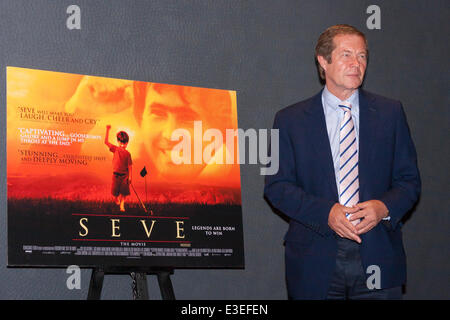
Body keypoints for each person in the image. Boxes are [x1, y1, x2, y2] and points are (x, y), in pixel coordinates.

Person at [264, 24, 421, 299]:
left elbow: (409, 182)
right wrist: (326, 213)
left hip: (378, 256)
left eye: (362, 56)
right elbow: (277, 187)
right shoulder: (288, 120)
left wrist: (383, 207)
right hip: (315, 260)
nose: (356, 63)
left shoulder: (390, 113)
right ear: (323, 61)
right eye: (346, 54)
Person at [105, 125, 133, 211]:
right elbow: (106, 142)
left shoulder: (128, 154)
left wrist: (130, 177)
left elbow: (130, 166)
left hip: (124, 175)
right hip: (115, 175)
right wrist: (107, 130)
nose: (123, 145)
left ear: (127, 143)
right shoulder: (115, 149)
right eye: (121, 142)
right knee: (115, 192)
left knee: (124, 192)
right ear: (118, 141)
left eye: (124, 143)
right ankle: (116, 198)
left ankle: (122, 205)